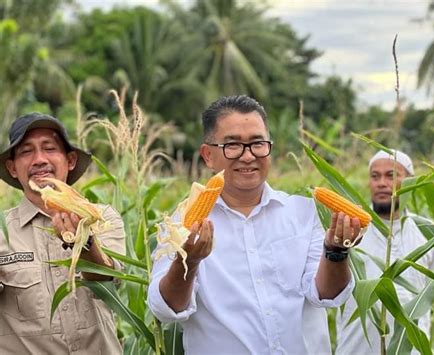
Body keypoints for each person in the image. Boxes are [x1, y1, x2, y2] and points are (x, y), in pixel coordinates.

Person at [148, 95, 364, 354]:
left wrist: (336, 252)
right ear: (208, 155)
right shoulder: (180, 226)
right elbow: (166, 308)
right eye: (233, 145)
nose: (248, 156)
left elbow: (327, 295)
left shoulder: (304, 213)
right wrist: (189, 261)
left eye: (257, 144)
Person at [0, 113, 125, 354]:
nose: (39, 159)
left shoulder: (103, 218)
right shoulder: (1, 231)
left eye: (49, 148)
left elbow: (108, 281)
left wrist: (86, 243)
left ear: (70, 160)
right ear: (12, 168)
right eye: (26, 152)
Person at [335, 149, 434, 354]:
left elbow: (430, 294)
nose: (381, 183)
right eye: (375, 176)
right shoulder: (349, 229)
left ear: (410, 182)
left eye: (391, 175)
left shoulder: (429, 233)